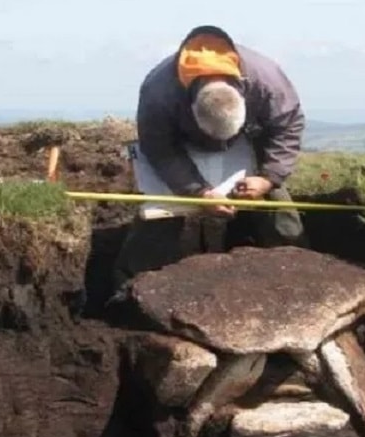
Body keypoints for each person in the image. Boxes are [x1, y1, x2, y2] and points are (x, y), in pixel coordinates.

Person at [109, 25, 308, 295]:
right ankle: (128, 291)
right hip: (179, 144)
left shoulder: (266, 80)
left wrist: (268, 177)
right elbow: (159, 148)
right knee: (160, 214)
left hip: (250, 140)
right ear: (192, 110)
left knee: (279, 214)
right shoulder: (159, 91)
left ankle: (298, 277)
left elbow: (288, 125)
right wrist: (198, 191)